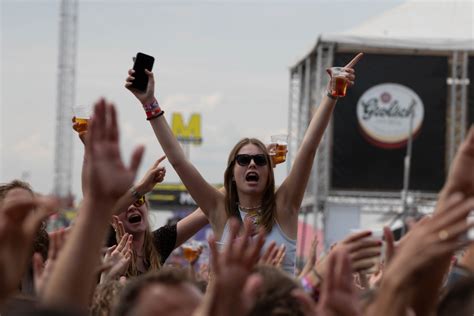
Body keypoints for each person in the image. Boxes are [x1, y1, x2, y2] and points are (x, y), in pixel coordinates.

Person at [125, 53, 362, 274]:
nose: (252, 165)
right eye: (243, 160)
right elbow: (178, 160)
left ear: (269, 171)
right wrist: (150, 103)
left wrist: (331, 95)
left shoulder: (285, 207)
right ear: (232, 173)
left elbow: (308, 149)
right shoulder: (219, 209)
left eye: (260, 160)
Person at [73, 120, 209, 277]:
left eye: (138, 201)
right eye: (125, 205)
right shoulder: (109, 243)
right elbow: (92, 210)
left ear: (147, 207)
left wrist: (234, 182)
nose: (131, 207)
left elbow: (204, 211)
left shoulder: (158, 243)